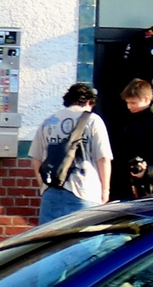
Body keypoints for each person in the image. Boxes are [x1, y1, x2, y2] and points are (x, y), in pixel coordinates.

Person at [32, 81, 113, 223]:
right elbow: (103, 158)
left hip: (51, 192)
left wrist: (43, 186)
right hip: (84, 190)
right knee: (84, 243)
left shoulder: (48, 121)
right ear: (89, 101)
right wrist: (105, 191)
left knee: (50, 243)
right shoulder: (93, 121)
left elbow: (35, 158)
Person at [107, 78, 153, 199]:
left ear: (147, 99)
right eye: (128, 103)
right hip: (130, 188)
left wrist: (147, 171)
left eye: (133, 103)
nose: (129, 107)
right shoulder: (131, 122)